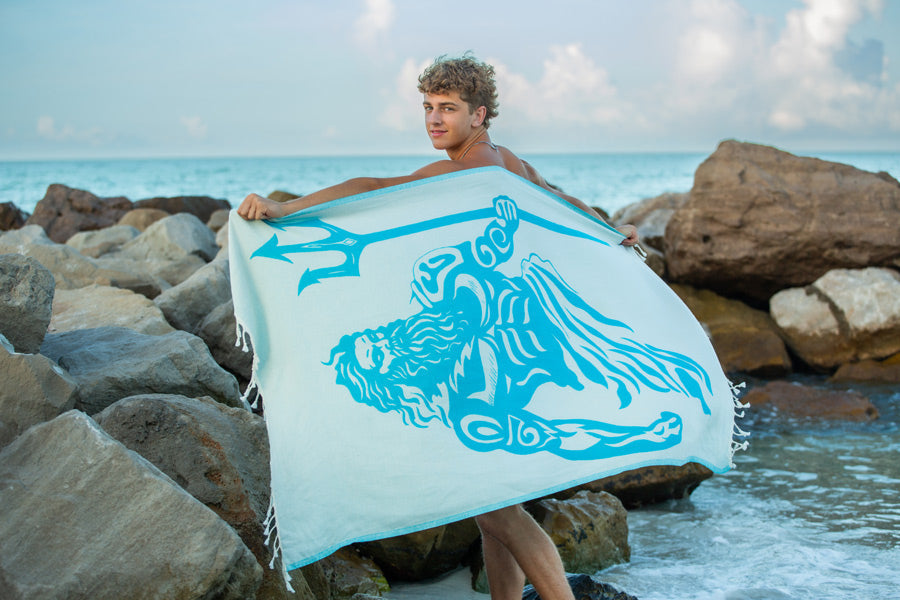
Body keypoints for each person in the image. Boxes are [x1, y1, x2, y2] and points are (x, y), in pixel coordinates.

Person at [238, 54, 639, 600]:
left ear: (479, 114)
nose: (433, 118)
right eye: (428, 106)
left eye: (447, 108)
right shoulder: (508, 162)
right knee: (492, 505)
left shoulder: (468, 170)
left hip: (485, 358)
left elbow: (375, 186)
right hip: (502, 348)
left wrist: (289, 210)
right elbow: (561, 201)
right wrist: (611, 229)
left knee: (497, 507)